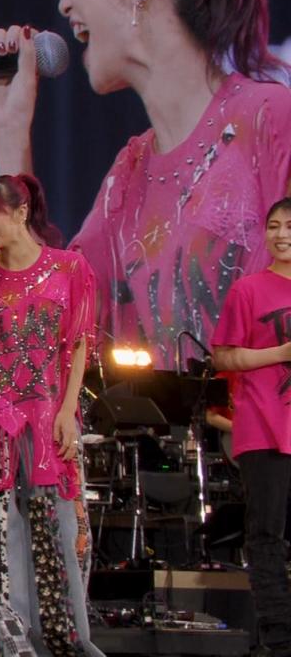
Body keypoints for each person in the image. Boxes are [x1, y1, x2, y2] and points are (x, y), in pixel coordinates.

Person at [0, 0, 291, 371]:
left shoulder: (270, 121)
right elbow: (51, 337)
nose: (65, 3)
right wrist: (9, 135)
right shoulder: (129, 175)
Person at [0, 174, 103, 656]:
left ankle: (65, 644)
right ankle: (10, 647)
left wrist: (68, 411)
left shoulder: (70, 267)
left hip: (49, 415)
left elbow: (78, 343)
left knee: (58, 534)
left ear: (20, 213)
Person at [212, 197, 291, 657]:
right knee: (266, 535)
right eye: (274, 226)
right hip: (264, 427)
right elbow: (223, 356)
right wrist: (279, 354)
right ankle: (279, 639)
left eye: (289, 226)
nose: (281, 235)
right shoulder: (248, 290)